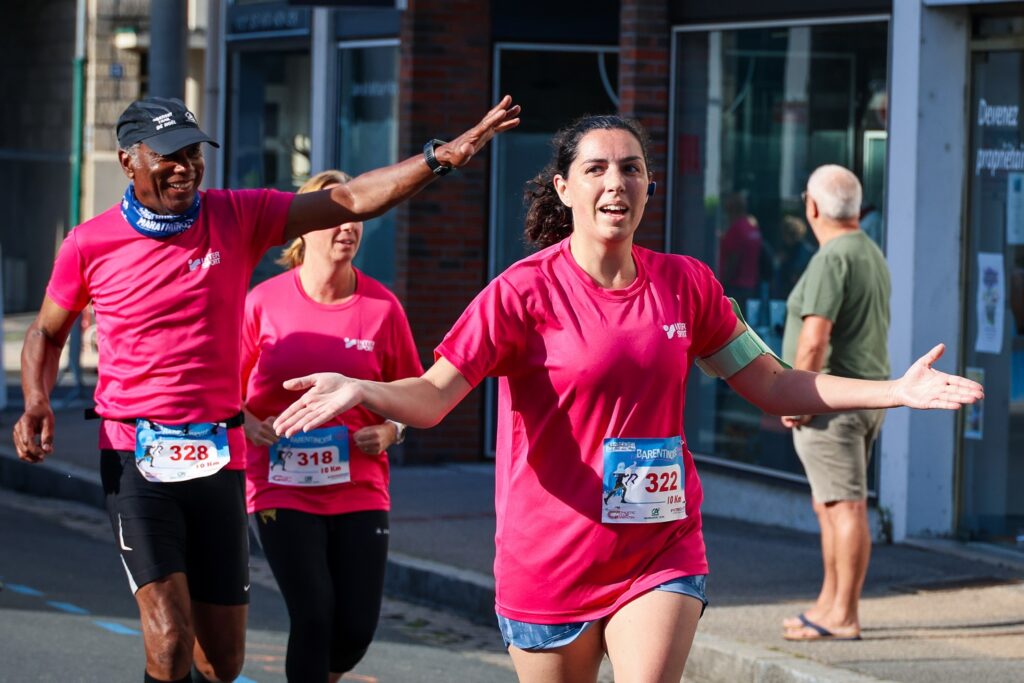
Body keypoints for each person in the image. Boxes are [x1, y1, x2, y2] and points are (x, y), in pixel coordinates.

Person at [272, 115, 981, 683]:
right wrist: (363, 386)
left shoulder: (687, 285)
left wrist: (896, 391)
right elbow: (431, 398)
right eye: (598, 169)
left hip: (659, 546)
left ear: (648, 185)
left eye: (632, 167)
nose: (617, 182)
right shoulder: (521, 294)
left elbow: (769, 380)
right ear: (564, 187)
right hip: (548, 557)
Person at [11, 95, 518, 683]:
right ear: (129, 161)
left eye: (194, 153)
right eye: (169, 155)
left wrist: (439, 159)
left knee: (221, 662)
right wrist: (36, 399)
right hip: (135, 458)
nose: (186, 167)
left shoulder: (235, 216)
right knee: (170, 642)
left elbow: (349, 199)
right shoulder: (89, 243)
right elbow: (45, 334)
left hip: (218, 458)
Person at [240, 169, 423, 681]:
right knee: (315, 614)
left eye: (356, 218)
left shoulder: (382, 308)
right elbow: (223, 389)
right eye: (336, 217)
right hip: (281, 485)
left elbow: (413, 395)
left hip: (360, 485)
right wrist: (248, 420)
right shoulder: (263, 303)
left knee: (355, 630)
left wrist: (390, 431)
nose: (348, 228)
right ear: (303, 227)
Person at [779, 165, 891, 642]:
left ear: (813, 207)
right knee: (831, 506)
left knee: (845, 508)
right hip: (861, 400)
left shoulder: (831, 258)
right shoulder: (868, 250)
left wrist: (796, 396)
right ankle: (828, 605)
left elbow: (814, 338)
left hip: (832, 406)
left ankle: (842, 615)